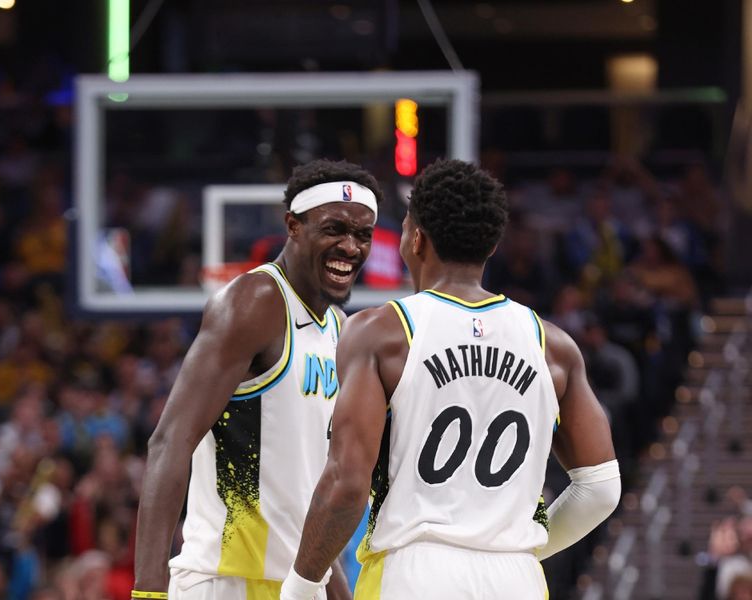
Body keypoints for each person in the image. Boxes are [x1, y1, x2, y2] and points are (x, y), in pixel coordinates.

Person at [280, 159, 621, 600]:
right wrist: (519, 549)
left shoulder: (382, 333)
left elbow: (347, 482)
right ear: (492, 245)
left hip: (414, 571)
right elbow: (600, 489)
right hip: (515, 578)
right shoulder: (552, 345)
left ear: (416, 239)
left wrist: (301, 584)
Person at [133, 159, 384, 600]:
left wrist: (331, 586)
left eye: (363, 235)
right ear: (293, 225)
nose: (351, 246)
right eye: (334, 229)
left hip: (299, 585)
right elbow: (169, 442)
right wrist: (148, 592)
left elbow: (309, 491)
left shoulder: (339, 329)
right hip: (227, 578)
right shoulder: (256, 301)